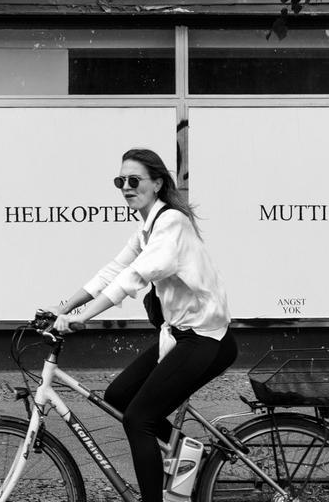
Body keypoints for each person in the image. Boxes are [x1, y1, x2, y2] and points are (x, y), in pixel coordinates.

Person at [51, 148, 237, 502]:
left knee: (139, 419)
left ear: (157, 184)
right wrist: (65, 306)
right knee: (119, 395)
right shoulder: (147, 228)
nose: (125, 187)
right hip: (179, 336)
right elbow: (113, 270)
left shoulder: (171, 224)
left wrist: (82, 319)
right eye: (120, 181)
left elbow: (135, 276)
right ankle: (190, 458)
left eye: (133, 180)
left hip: (203, 339)